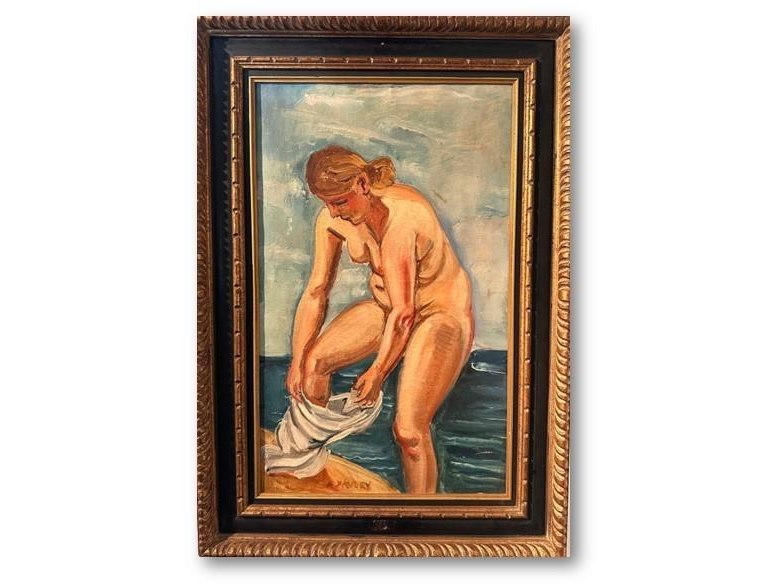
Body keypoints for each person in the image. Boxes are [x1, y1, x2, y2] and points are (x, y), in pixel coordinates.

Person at [285, 145, 474, 494]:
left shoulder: (403, 216)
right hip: (387, 308)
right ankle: (306, 465)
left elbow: (406, 313)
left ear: (362, 183)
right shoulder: (332, 219)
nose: (333, 212)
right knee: (314, 363)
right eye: (327, 203)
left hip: (439, 314)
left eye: (340, 202)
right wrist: (297, 358)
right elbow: (316, 291)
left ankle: (421, 510)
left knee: (409, 431)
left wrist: (377, 372)